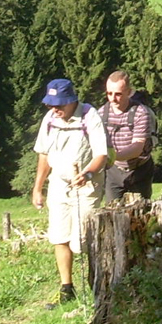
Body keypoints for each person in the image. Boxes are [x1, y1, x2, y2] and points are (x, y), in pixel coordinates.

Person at [31, 78, 109, 304]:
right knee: (59, 236)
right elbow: (43, 154)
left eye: (59, 104)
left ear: (72, 101)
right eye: (51, 104)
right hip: (59, 184)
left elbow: (101, 154)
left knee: (82, 241)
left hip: (87, 186)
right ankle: (67, 288)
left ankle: (99, 285)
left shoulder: (89, 116)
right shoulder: (50, 119)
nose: (55, 109)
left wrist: (87, 174)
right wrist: (38, 188)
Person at [98, 70, 155, 203]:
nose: (113, 98)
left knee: (140, 213)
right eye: (109, 93)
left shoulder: (141, 113)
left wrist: (112, 156)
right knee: (112, 213)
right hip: (114, 171)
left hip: (139, 170)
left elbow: (137, 147)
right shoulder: (101, 114)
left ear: (129, 92)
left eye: (118, 94)